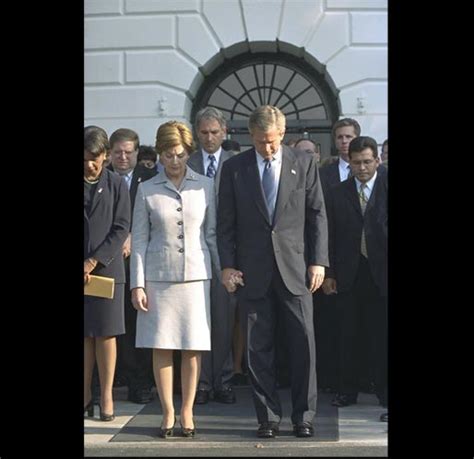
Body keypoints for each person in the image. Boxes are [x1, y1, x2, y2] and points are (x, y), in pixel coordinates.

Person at [217, 105, 329, 439]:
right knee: (256, 348)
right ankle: (267, 417)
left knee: (303, 344)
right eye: (261, 141)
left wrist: (318, 261)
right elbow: (226, 225)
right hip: (253, 271)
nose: (268, 147)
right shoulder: (235, 168)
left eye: (273, 140)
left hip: (296, 269)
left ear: (283, 133)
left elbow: (317, 216)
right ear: (251, 135)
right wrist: (227, 265)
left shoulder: (304, 163)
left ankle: (303, 416)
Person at [130, 121, 220, 438]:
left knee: (193, 348)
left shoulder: (206, 186)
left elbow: (212, 236)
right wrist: (137, 284)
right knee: (162, 346)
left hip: (197, 278)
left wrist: (222, 274)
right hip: (158, 279)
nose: (174, 161)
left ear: (188, 153)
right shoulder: (146, 189)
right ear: (160, 154)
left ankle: (188, 410)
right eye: (168, 155)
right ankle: (168, 411)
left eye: (180, 154)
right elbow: (139, 240)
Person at [322, 136, 387, 422]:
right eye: (356, 162)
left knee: (382, 336)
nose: (361, 168)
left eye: (367, 162)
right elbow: (330, 236)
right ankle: (346, 391)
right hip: (349, 273)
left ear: (377, 161)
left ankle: (384, 394)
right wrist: (330, 273)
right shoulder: (337, 193)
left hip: (382, 273)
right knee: (347, 333)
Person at [187, 107, 239, 405]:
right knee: (198, 321)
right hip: (195, 253)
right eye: (204, 132)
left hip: (227, 255)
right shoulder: (188, 162)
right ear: (197, 133)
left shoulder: (237, 163)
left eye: (214, 132)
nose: (209, 138)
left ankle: (224, 380)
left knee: (223, 319)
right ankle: (202, 383)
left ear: (225, 132)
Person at [84, 125, 131, 421]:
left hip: (107, 270)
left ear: (105, 156)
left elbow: (121, 227)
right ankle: (86, 394)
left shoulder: (116, 184)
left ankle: (107, 394)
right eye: (85, 157)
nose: (90, 164)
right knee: (85, 336)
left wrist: (92, 262)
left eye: (95, 158)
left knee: (105, 334)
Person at [108, 128, 157, 405]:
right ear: (109, 154)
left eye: (128, 152)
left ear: (137, 153)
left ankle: (141, 382)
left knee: (140, 323)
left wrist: (131, 236)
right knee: (117, 325)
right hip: (110, 264)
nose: (123, 157)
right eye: (118, 153)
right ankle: (119, 377)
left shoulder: (150, 178)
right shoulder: (101, 177)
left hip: (142, 264)